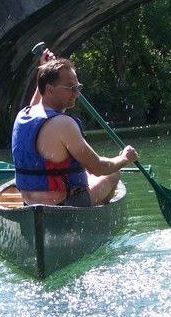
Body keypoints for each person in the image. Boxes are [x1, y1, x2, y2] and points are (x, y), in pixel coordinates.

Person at [11, 49, 139, 207]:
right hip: (65, 205)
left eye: (78, 87)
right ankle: (95, 221)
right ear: (50, 89)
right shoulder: (64, 124)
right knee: (113, 172)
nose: (77, 93)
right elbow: (98, 167)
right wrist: (125, 158)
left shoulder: (24, 115)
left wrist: (44, 69)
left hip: (29, 202)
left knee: (84, 173)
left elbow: (38, 100)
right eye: (71, 88)